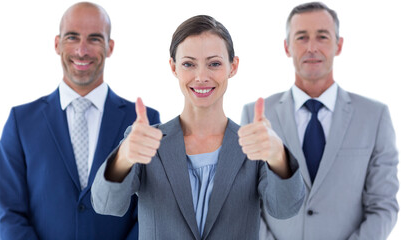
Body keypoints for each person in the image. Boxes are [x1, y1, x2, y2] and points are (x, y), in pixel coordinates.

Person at [91, 15, 305, 239]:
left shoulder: (255, 145)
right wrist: (124, 156)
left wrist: (278, 155)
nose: (201, 76)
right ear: (173, 67)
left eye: (214, 64)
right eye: (188, 64)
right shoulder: (146, 141)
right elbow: (106, 204)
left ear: (233, 66)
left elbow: (285, 208)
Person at [0, 2, 160, 240]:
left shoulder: (143, 121)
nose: (82, 50)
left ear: (110, 47)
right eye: (72, 37)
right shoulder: (21, 122)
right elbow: (7, 211)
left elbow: (151, 212)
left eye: (94, 39)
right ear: (57, 43)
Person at [241, 2, 399, 240]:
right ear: (287, 47)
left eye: (322, 37)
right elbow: (245, 203)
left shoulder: (374, 117)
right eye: (302, 37)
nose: (312, 47)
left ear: (339, 44)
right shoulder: (256, 115)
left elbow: (383, 205)